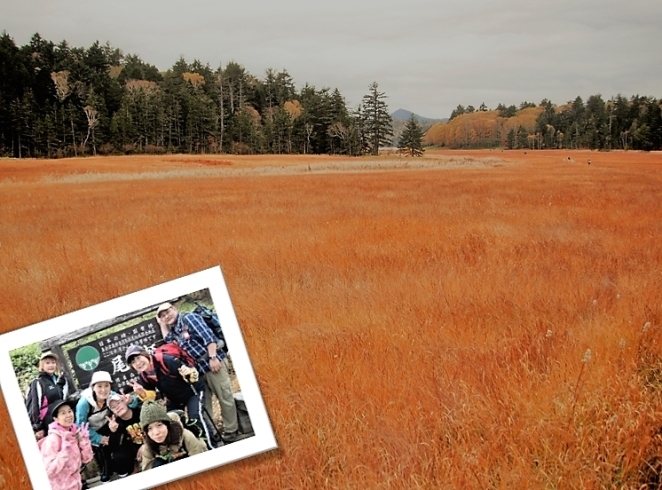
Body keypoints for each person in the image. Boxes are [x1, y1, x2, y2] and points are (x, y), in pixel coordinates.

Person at [156, 302, 239, 443]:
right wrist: (161, 323)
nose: (166, 316)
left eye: (167, 312)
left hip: (212, 361)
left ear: (175, 309)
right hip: (198, 370)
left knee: (224, 397)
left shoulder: (189, 319)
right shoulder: (176, 329)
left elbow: (208, 337)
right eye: (162, 316)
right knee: (205, 405)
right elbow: (168, 339)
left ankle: (232, 431)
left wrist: (213, 357)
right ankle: (212, 433)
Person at [125, 344, 214, 448]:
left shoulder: (165, 360)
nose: (138, 363)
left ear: (145, 354)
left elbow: (192, 373)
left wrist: (187, 372)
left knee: (195, 417)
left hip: (193, 391)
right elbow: (151, 396)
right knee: (168, 422)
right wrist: (141, 393)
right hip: (174, 398)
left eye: (138, 358)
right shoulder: (144, 375)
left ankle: (211, 446)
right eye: (133, 362)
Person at [75, 371, 137, 483]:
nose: (103, 390)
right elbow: (81, 426)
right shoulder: (84, 403)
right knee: (102, 452)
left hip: (108, 425)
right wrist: (99, 439)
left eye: (106, 385)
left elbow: (128, 404)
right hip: (92, 430)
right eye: (99, 386)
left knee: (116, 445)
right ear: (93, 387)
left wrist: (131, 401)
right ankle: (106, 472)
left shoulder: (112, 395)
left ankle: (120, 468)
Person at [39, 398, 94, 490]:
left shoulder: (75, 434)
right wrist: (64, 454)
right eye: (63, 413)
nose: (68, 415)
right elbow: (48, 471)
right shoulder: (53, 439)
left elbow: (86, 459)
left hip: (77, 485)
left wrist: (84, 441)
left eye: (69, 411)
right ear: (55, 419)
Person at [139, 400, 208, 471]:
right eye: (149, 428)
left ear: (167, 425)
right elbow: (148, 474)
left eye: (159, 425)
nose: (156, 432)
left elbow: (202, 463)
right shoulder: (148, 447)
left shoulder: (185, 436)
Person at [26, 351, 70, 440]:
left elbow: (63, 400)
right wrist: (37, 427)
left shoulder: (60, 381)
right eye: (47, 363)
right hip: (47, 425)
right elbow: (34, 406)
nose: (51, 365)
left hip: (62, 422)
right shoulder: (38, 382)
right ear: (42, 365)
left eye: (53, 362)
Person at [105, 393, 144, 477]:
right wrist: (114, 432)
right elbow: (113, 448)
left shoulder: (140, 412)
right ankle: (132, 470)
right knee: (118, 456)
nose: (117, 407)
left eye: (119, 403)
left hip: (150, 444)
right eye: (113, 407)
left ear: (125, 401)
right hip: (134, 451)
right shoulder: (115, 423)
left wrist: (146, 445)